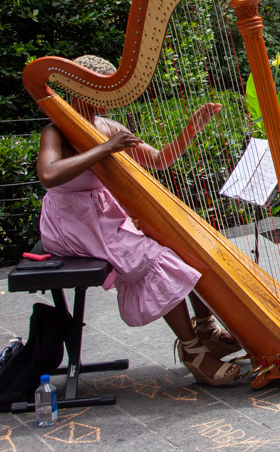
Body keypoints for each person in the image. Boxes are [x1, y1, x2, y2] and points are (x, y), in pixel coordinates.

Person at [36, 55, 241, 386]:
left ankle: (206, 330)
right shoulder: (56, 131)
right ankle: (192, 351)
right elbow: (48, 175)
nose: (97, 102)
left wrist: (194, 125)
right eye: (93, 92)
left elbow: (160, 160)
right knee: (154, 258)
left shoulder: (108, 128)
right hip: (69, 223)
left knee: (184, 245)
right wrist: (105, 149)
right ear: (77, 90)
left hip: (100, 217)